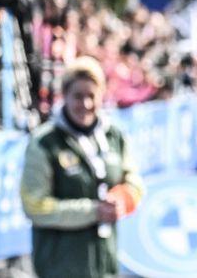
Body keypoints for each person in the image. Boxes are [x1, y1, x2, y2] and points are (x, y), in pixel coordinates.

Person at [20, 57, 144, 278]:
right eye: (78, 96)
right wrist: (93, 211)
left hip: (105, 263)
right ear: (65, 95)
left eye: (91, 96)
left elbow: (134, 182)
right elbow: (34, 206)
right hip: (60, 266)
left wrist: (120, 202)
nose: (85, 104)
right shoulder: (44, 143)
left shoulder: (113, 135)